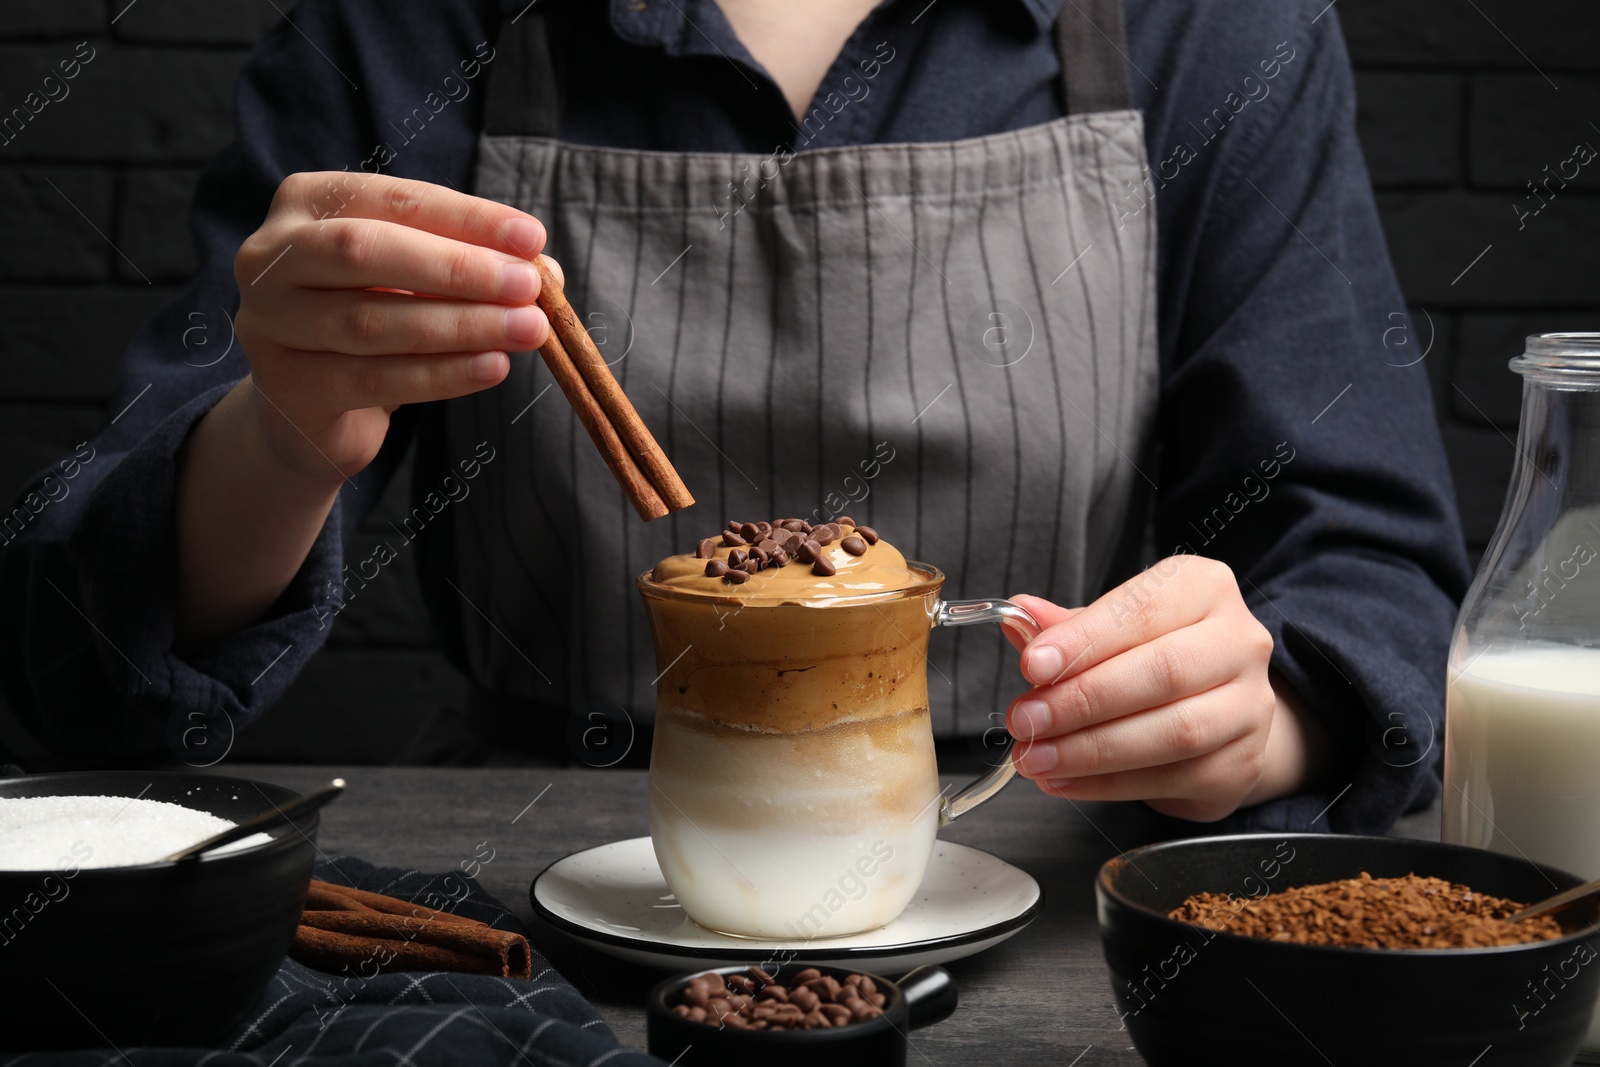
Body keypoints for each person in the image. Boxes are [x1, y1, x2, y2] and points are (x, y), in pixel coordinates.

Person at [0, 0, 1469, 834]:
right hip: (555, 872)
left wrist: (1261, 715)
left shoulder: (1214, 27)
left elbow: (1366, 560)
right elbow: (91, 682)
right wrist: (287, 432)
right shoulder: (404, 27)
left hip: (1044, 883)